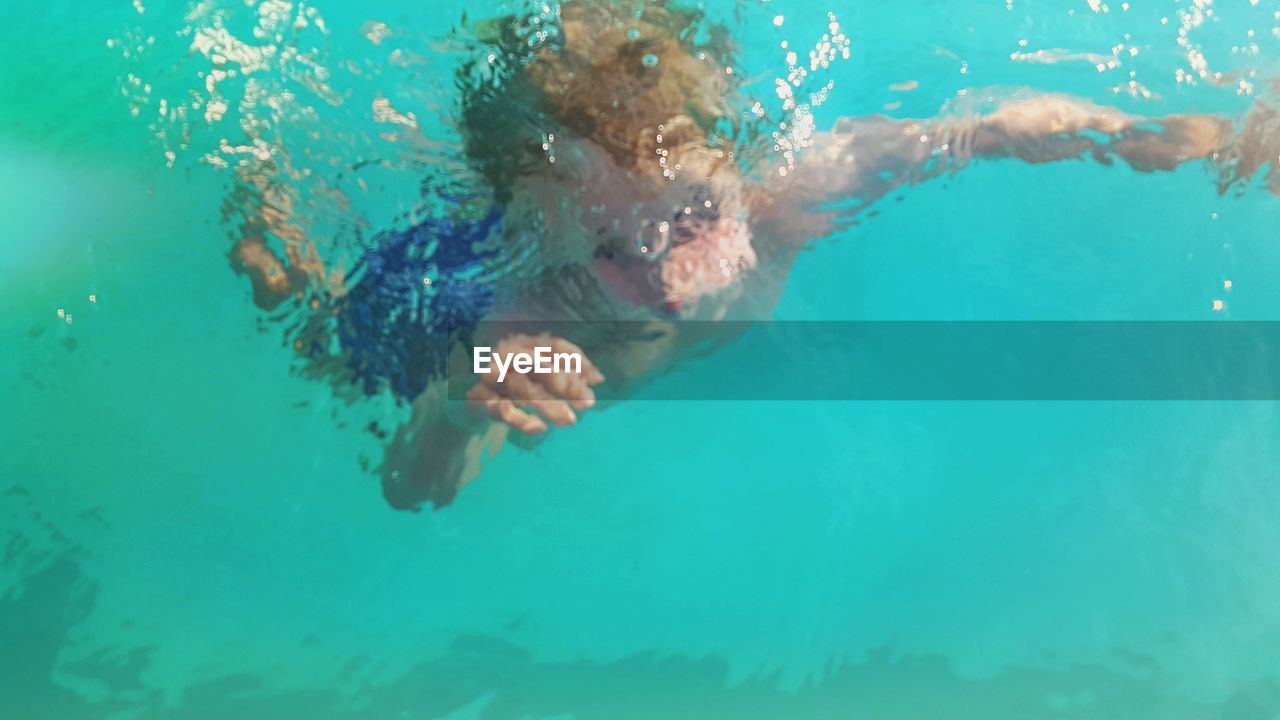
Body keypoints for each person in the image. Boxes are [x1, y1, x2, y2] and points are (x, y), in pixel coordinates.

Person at [229, 0, 1279, 510]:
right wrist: (461, 406)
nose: (661, 271)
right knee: (320, 329)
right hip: (432, 296)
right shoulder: (538, 327)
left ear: (733, 166)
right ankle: (266, 223)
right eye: (610, 246)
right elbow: (414, 485)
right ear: (545, 237)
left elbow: (995, 122)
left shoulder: (791, 194)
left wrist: (1214, 138)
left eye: (686, 217)